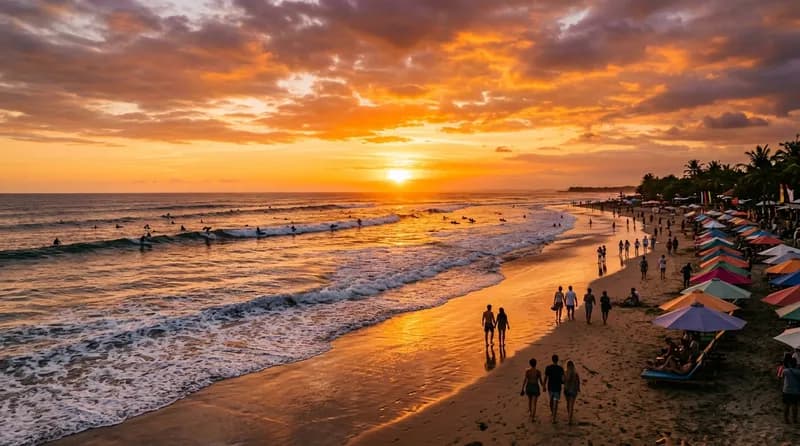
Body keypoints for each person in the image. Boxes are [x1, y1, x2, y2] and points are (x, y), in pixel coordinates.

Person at [544, 355, 565, 424]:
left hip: (550, 386)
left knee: (551, 399)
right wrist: (564, 382)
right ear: (557, 360)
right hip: (557, 387)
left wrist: (544, 385)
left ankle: (552, 412)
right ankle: (554, 417)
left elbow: (545, 377)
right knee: (555, 401)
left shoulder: (548, 368)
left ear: (552, 360)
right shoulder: (560, 368)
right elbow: (563, 379)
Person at [781, 357, 800, 424]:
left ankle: (786, 419)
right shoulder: (798, 372)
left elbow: (781, 377)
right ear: (796, 364)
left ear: (789, 364)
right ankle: (794, 419)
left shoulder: (785, 371)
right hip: (796, 391)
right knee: (795, 405)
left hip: (786, 390)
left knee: (787, 405)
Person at [564, 360, 581, 425]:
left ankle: (569, 415)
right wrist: (578, 389)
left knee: (568, 404)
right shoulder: (575, 373)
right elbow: (578, 382)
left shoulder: (565, 372)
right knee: (571, 405)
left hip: (567, 390)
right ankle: (569, 419)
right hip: (573, 390)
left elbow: (563, 381)